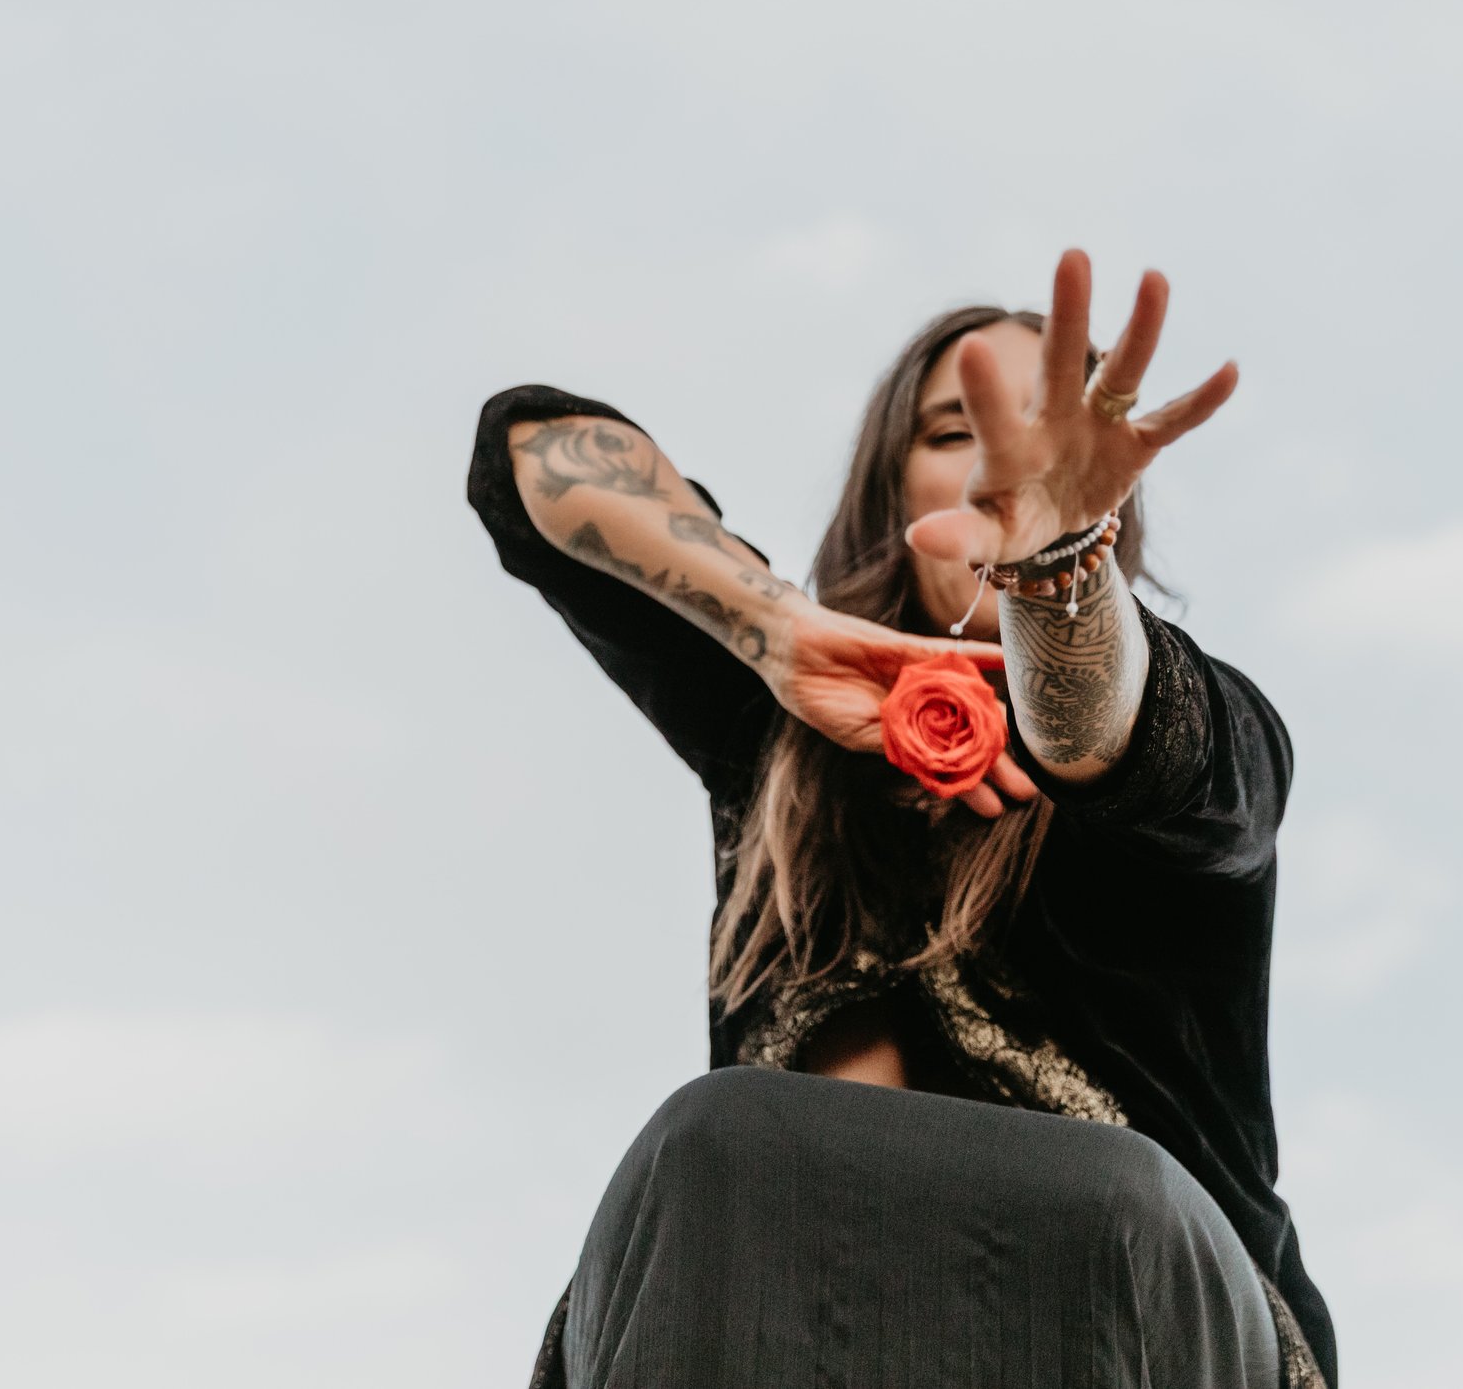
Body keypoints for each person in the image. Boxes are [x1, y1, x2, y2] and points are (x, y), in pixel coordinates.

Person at [468, 251, 1334, 1389]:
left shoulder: (1201, 738)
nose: (1002, 460)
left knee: (1070, 1190)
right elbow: (528, 453)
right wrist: (768, 624)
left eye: (1044, 427)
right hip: (770, 1310)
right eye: (952, 428)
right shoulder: (770, 740)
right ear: (891, 486)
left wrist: (1055, 574)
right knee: (720, 1148)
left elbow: (1114, 725)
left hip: (1126, 1312)